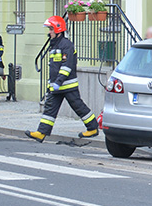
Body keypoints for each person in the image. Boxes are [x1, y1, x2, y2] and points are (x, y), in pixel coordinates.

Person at [25, 15, 99, 143]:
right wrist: (51, 84)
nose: (49, 32)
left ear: (58, 30)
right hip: (57, 85)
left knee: (78, 106)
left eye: (51, 29)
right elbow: (54, 67)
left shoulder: (66, 45)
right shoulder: (54, 45)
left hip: (67, 85)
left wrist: (58, 82)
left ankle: (93, 128)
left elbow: (67, 66)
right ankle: (41, 133)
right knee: (49, 108)